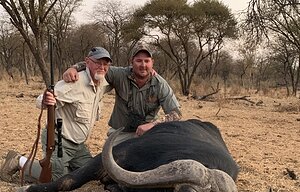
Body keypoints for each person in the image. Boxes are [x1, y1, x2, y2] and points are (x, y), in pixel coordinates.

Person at [0, 47, 112, 183]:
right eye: (97, 63)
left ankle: (60, 168)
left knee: (91, 174)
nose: (102, 67)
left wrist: (75, 66)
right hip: (60, 141)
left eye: (105, 64)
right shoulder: (74, 82)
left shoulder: (103, 82)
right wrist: (47, 100)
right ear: (87, 62)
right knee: (56, 180)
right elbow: (41, 100)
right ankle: (18, 161)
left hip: (79, 145)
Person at [63, 42, 182, 145]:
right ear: (132, 62)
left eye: (147, 61)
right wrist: (73, 68)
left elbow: (176, 113)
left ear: (152, 62)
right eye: (139, 61)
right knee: (107, 165)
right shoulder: (119, 74)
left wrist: (153, 125)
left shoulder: (160, 84)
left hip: (148, 134)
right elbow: (98, 66)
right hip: (120, 134)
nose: (143, 65)